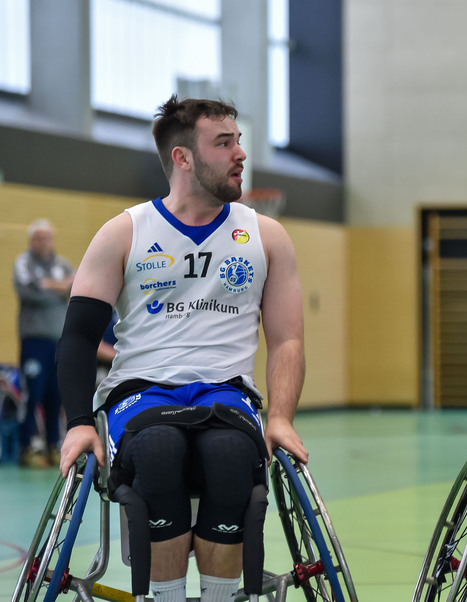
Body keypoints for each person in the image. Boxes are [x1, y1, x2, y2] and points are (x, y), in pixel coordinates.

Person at [56, 95, 308, 602]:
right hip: (141, 393)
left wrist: (279, 416)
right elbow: (79, 337)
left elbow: (287, 339)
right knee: (159, 451)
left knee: (232, 457)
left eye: (239, 141)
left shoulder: (267, 236)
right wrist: (81, 422)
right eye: (224, 143)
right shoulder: (123, 232)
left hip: (227, 393)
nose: (240, 153)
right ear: (183, 157)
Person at [13, 218, 75, 468]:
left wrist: (51, 286)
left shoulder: (62, 264)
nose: (43, 241)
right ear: (31, 240)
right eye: (38, 237)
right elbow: (28, 291)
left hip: (58, 341)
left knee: (55, 395)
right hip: (34, 342)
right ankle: (26, 447)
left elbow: (74, 288)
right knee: (32, 394)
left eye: (47, 237)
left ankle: (52, 446)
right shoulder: (23, 262)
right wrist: (57, 288)